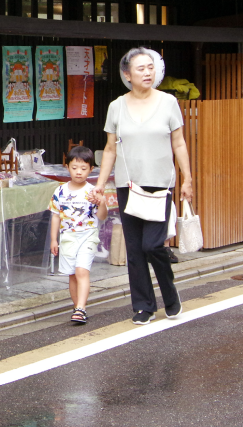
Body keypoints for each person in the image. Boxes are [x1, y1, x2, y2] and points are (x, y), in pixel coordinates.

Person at [91, 47, 193, 325]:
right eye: (141, 68)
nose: (148, 72)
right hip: (128, 185)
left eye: (151, 67)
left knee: (152, 245)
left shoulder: (168, 102)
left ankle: (170, 295)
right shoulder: (116, 106)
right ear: (127, 75)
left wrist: (188, 179)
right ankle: (143, 306)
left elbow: (179, 143)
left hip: (161, 184)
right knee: (134, 249)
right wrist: (101, 185)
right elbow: (110, 149)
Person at [49, 146, 107, 324]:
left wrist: (102, 202)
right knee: (72, 274)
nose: (79, 172)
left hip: (88, 235)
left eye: (83, 168)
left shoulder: (93, 191)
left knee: (82, 271)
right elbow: (55, 215)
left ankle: (81, 308)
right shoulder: (60, 191)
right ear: (67, 167)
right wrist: (53, 239)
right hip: (67, 237)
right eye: (74, 168)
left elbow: (102, 216)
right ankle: (77, 308)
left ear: (91, 169)